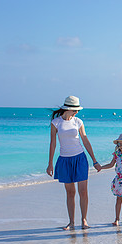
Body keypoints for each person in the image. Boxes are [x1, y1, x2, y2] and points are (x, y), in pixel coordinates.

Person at [47, 96, 102, 230]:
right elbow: (53, 143)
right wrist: (50, 163)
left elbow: (85, 140)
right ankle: (71, 222)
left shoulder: (78, 122)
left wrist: (94, 160)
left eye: (77, 110)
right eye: (75, 110)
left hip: (80, 159)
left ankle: (84, 220)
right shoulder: (56, 123)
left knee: (83, 191)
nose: (76, 112)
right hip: (64, 160)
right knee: (70, 192)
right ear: (68, 109)